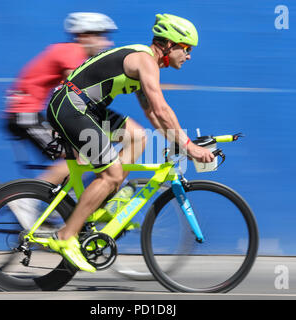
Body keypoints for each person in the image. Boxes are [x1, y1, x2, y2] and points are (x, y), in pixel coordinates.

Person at [45, 13, 215, 272]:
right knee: (111, 173)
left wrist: (177, 142)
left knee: (138, 136)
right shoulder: (144, 60)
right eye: (187, 48)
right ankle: (65, 237)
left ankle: (108, 196)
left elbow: (151, 115)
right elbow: (161, 109)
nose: (189, 56)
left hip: (86, 108)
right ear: (169, 44)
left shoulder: (144, 64)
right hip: (72, 107)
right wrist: (190, 147)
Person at [1, 12, 117, 228]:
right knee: (77, 156)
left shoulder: (69, 51)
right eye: (102, 36)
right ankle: (26, 201)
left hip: (27, 112)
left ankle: (55, 204)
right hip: (23, 113)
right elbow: (77, 92)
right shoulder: (72, 51)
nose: (107, 43)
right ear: (85, 35)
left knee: (80, 154)